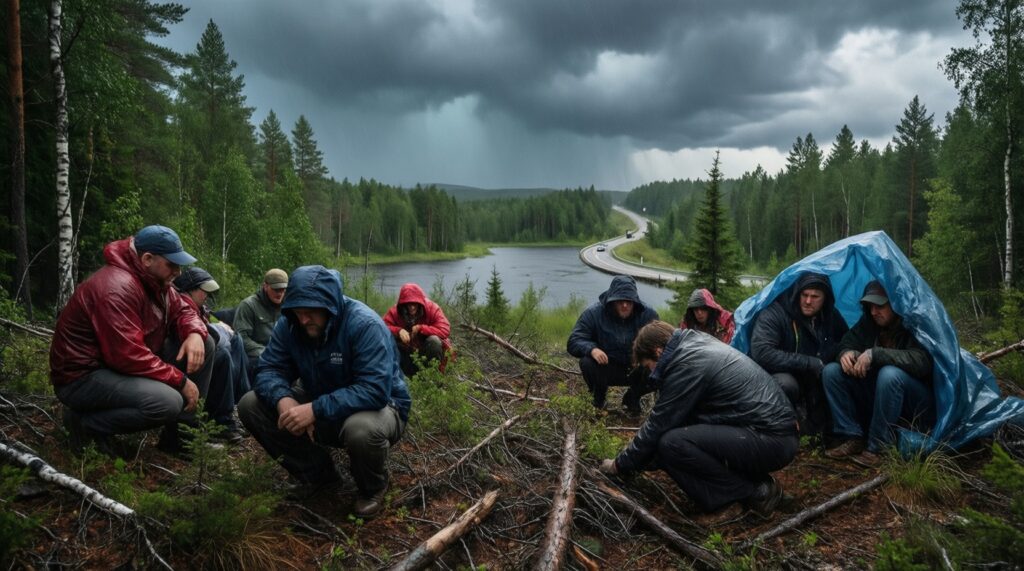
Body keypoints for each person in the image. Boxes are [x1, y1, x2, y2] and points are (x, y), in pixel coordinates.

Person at [238, 265, 411, 518]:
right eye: (298, 311)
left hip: (382, 407)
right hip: (322, 398)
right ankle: (320, 476)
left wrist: (315, 409)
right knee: (250, 404)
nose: (303, 319)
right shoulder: (290, 325)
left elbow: (374, 390)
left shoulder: (364, 324)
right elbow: (269, 369)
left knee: (361, 430)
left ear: (330, 306)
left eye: (310, 312)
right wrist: (283, 400)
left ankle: (372, 488)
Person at [599, 321, 797, 525]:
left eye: (649, 367)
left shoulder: (686, 363)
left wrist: (620, 465)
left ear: (658, 352)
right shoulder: (694, 343)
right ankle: (761, 486)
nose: (651, 373)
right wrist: (644, 460)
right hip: (771, 435)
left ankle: (743, 497)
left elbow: (659, 425)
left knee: (672, 443)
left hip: (771, 439)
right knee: (677, 440)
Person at [49, 225, 214, 455]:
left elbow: (183, 309)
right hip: (82, 377)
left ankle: (180, 439)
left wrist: (195, 332)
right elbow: (127, 356)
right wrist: (181, 381)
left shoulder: (155, 280)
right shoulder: (115, 287)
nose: (178, 271)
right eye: (172, 264)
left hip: (115, 366)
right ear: (147, 258)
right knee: (167, 402)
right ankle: (85, 424)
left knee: (205, 343)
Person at [823, 281, 934, 466]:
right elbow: (846, 342)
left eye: (880, 305)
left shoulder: (913, 323)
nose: (874, 311)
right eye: (870, 306)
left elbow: (923, 361)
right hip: (883, 398)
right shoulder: (870, 321)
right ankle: (853, 436)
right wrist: (846, 353)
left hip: (916, 402)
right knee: (832, 371)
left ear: (895, 304)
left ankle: (878, 448)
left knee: (890, 374)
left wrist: (875, 354)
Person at [750, 272, 849, 437]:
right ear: (797, 293)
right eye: (804, 295)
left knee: (833, 373)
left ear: (825, 298)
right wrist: (809, 363)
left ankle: (824, 431)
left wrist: (844, 352)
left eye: (815, 296)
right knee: (786, 384)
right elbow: (762, 353)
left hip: (813, 379)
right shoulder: (776, 313)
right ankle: (775, 431)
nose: (808, 301)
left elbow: (846, 340)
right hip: (775, 376)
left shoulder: (830, 315)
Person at [173, 267, 250, 443]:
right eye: (203, 291)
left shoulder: (200, 308)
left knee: (232, 343)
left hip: (194, 351)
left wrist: (223, 329)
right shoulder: (183, 303)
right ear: (190, 289)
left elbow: (211, 324)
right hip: (183, 356)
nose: (207, 295)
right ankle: (221, 420)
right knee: (223, 352)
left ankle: (232, 411)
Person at [567, 275, 659, 413]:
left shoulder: (648, 314)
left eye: (629, 300)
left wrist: (644, 357)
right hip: (607, 368)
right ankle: (599, 398)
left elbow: (662, 344)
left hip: (637, 369)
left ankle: (632, 398)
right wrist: (592, 349)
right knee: (587, 362)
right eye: (620, 300)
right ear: (612, 300)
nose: (625, 305)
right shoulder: (594, 313)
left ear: (635, 300)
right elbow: (574, 340)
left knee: (662, 365)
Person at [383, 283, 452, 376]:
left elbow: (445, 329)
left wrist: (422, 328)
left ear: (420, 302)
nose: (412, 307)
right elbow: (381, 327)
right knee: (390, 342)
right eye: (408, 304)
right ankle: (402, 378)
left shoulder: (432, 308)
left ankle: (432, 377)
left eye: (414, 303)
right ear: (403, 303)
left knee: (434, 341)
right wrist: (398, 331)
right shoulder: (395, 312)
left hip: (426, 352)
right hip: (406, 354)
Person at [235, 268, 288, 379]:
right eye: (276, 289)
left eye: (283, 289)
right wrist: (267, 353)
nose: (280, 293)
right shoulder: (248, 305)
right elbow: (241, 338)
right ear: (265, 286)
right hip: (257, 357)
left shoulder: (289, 307)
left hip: (282, 355)